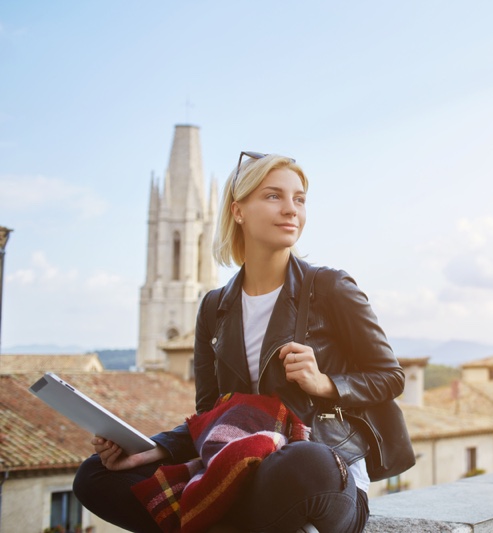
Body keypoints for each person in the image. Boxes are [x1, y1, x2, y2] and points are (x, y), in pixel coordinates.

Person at [73, 152, 405, 532]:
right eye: (273, 196)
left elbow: (390, 376)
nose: (290, 209)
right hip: (240, 472)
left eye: (299, 198)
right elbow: (209, 418)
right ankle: (223, 516)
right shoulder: (214, 308)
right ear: (238, 211)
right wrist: (154, 448)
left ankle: (212, 517)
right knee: (95, 475)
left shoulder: (330, 288)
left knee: (303, 462)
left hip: (320, 475)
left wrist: (324, 383)